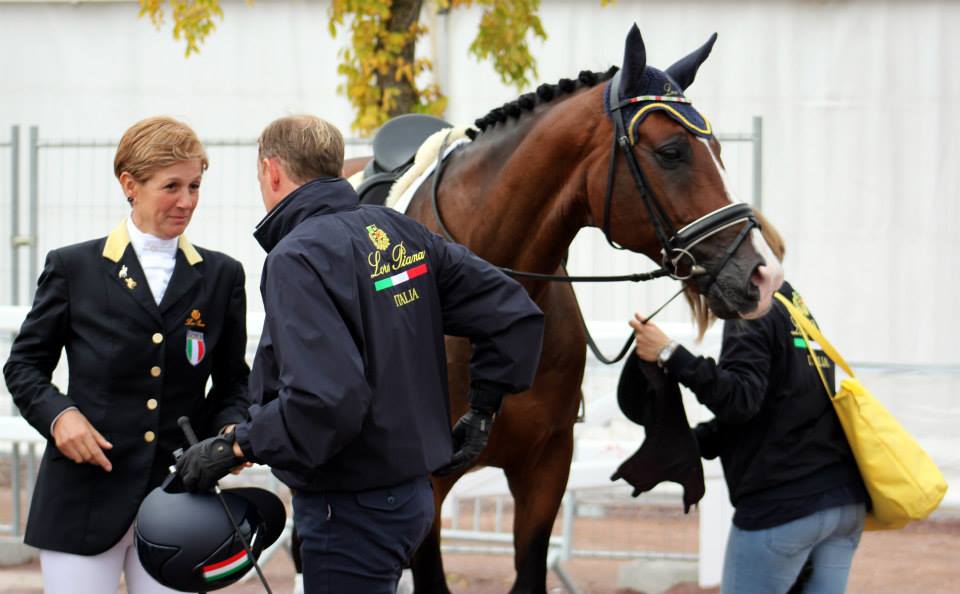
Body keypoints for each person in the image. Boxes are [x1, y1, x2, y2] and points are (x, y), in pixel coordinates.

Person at [175, 114, 545, 594]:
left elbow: (325, 400)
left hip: (350, 507)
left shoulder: (296, 257)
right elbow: (512, 311)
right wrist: (483, 409)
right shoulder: (398, 230)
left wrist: (237, 446)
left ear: (271, 170)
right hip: (411, 498)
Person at [3, 116, 251, 594]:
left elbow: (232, 382)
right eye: (171, 186)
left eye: (195, 186)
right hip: (83, 495)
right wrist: (60, 418)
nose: (187, 201)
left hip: (179, 499)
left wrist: (229, 432)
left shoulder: (222, 276)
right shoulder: (74, 267)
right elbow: (24, 366)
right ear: (129, 185)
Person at [629, 224, 867, 594]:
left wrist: (670, 354)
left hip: (784, 506)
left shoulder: (753, 310)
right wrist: (690, 442)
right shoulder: (794, 307)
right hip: (841, 502)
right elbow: (774, 406)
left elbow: (740, 401)